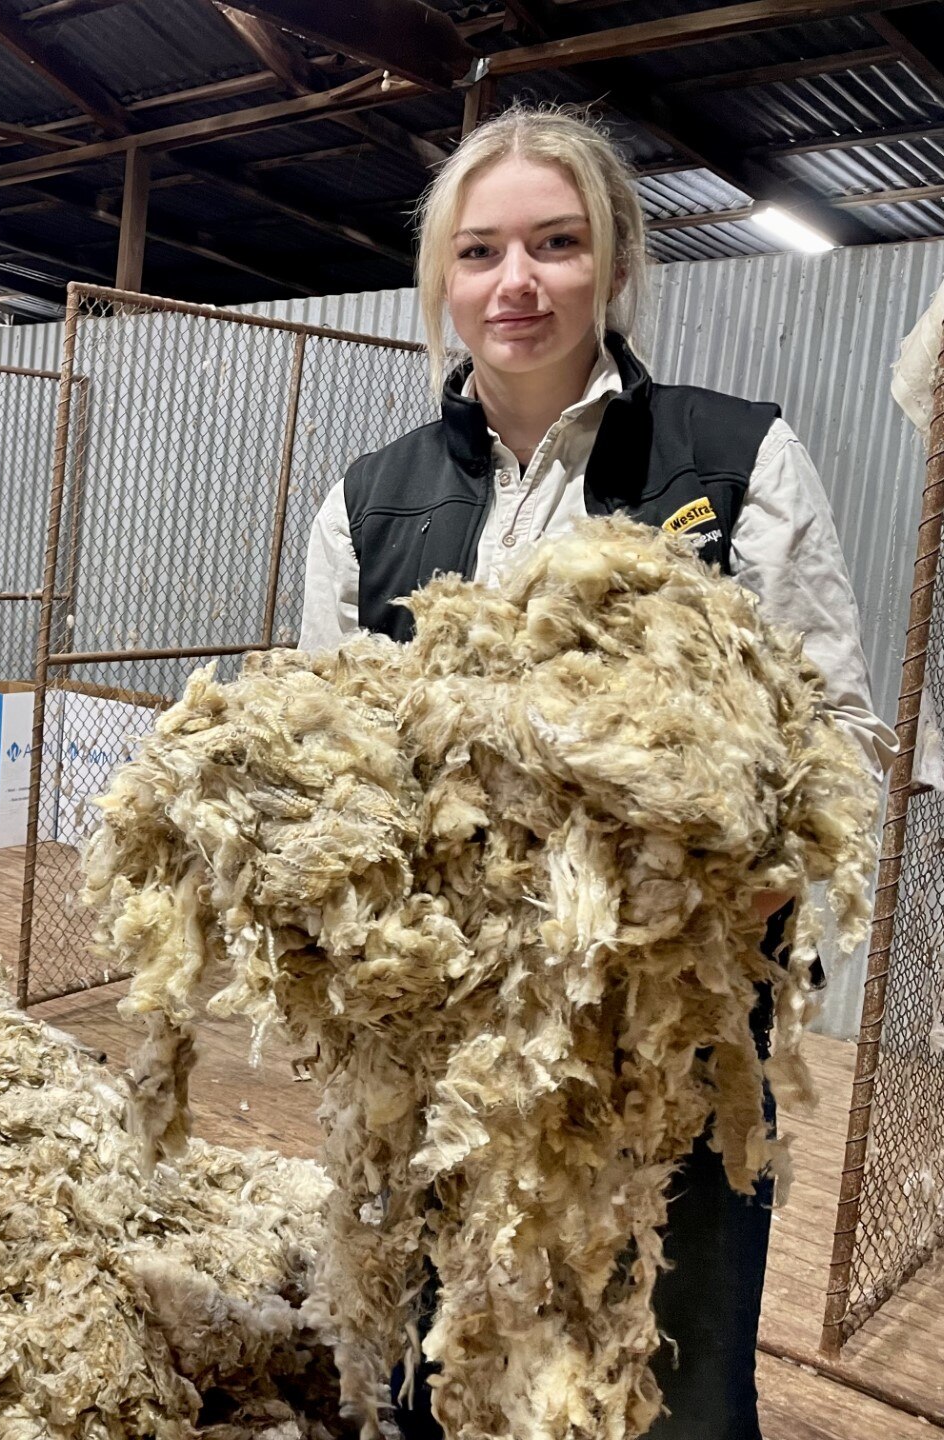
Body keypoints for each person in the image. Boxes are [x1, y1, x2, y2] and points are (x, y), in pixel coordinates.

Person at [299, 104, 894, 1440]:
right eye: (483, 251)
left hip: (671, 1040)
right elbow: (328, 770)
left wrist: (742, 909)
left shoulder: (733, 461)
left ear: (615, 263)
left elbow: (834, 739)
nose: (518, 283)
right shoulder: (370, 504)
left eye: (557, 244)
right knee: (437, 1367)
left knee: (671, 1376)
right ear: (443, 280)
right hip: (442, 1041)